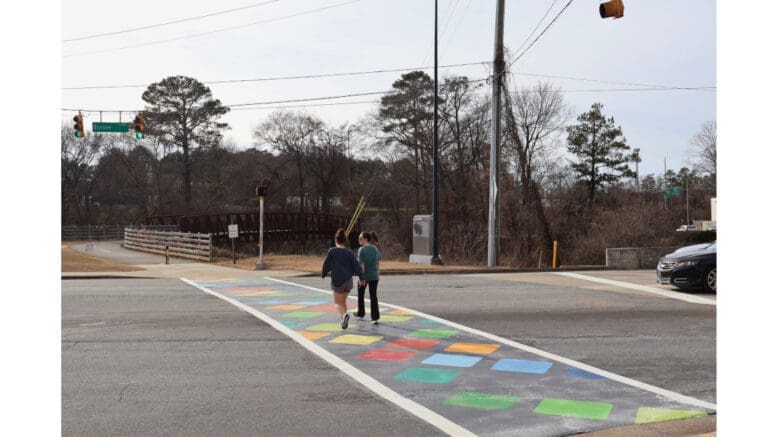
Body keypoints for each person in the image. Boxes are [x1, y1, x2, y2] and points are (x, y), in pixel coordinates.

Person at [321, 228, 365, 329]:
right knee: (343, 302)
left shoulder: (332, 251)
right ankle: (343, 322)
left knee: (337, 303)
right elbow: (356, 266)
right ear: (345, 240)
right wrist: (362, 278)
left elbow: (326, 264)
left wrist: (323, 273)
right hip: (348, 281)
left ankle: (345, 316)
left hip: (338, 281)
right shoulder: (349, 252)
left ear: (336, 240)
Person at [354, 231, 382, 324]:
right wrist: (377, 272)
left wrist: (361, 278)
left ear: (366, 239)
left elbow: (362, 265)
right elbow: (378, 263)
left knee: (361, 294)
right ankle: (375, 317)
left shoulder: (361, 250)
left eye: (360, 238)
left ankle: (361, 312)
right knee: (373, 296)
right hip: (374, 276)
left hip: (365, 276)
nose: (359, 240)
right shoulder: (375, 248)